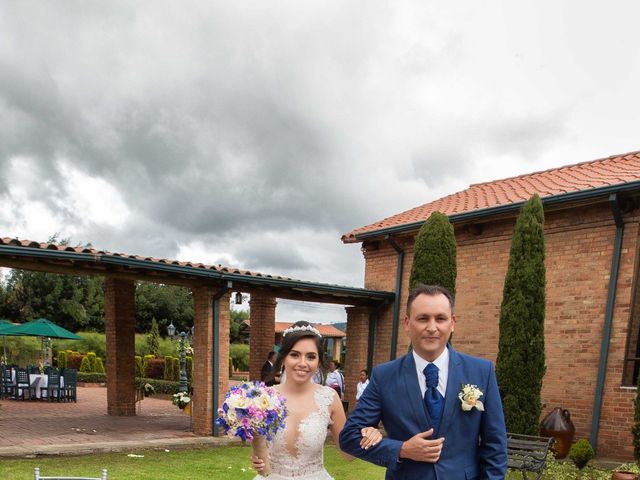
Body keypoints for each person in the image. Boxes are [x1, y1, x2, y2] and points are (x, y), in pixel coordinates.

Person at [340, 284, 507, 479]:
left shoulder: (481, 372)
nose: (432, 327)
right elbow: (349, 437)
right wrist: (402, 449)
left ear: (452, 323)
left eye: (440, 318)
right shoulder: (384, 376)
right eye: (423, 318)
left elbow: (495, 446)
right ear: (407, 323)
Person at [252, 321, 381, 480]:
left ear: (319, 361)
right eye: (295, 354)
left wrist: (368, 435)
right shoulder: (264, 398)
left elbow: (347, 453)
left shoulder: (329, 398)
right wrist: (258, 459)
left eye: (311, 356)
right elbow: (260, 446)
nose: (302, 363)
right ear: (284, 357)